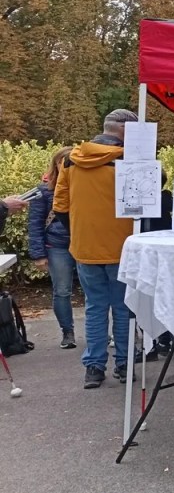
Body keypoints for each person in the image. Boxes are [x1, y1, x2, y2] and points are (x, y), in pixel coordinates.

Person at [53, 108, 138, 389]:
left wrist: (78, 232)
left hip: (85, 247)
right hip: (123, 246)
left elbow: (60, 206)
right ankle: (124, 365)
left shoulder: (69, 161)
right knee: (123, 309)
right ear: (125, 132)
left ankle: (93, 368)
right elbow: (154, 189)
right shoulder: (129, 159)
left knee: (94, 307)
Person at [27, 147, 77, 349]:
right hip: (57, 245)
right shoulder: (44, 191)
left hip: (84, 244)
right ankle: (68, 331)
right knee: (62, 290)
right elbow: (35, 223)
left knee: (96, 293)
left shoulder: (85, 188)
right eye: (63, 161)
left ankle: (100, 333)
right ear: (56, 164)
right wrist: (38, 254)